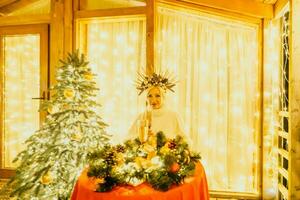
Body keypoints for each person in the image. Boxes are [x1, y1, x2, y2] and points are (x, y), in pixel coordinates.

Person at [127, 72, 190, 145]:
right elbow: (128, 139)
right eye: (150, 96)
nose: (153, 100)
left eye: (157, 95)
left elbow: (185, 141)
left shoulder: (174, 116)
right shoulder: (142, 117)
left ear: (164, 97)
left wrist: (170, 144)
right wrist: (141, 138)